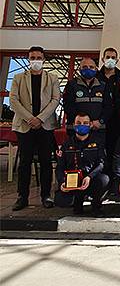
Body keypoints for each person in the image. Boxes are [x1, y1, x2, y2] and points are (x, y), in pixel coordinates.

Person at [10, 45, 59, 211]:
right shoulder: (18, 78)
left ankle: (46, 195)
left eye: (38, 58)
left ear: (43, 59)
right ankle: (22, 197)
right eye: (32, 58)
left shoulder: (52, 78)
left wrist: (40, 118)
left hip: (45, 126)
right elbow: (14, 100)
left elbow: (55, 99)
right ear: (28, 59)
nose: (36, 61)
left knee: (46, 161)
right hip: (25, 126)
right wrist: (30, 118)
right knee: (25, 162)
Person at [54, 112, 109, 216]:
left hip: (90, 180)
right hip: (72, 182)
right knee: (61, 202)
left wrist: (89, 177)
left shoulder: (97, 142)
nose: (82, 125)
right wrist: (62, 183)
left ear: (90, 125)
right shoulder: (66, 144)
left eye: (85, 123)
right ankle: (77, 203)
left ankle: (96, 206)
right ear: (74, 125)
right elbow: (60, 167)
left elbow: (101, 164)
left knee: (104, 180)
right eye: (78, 123)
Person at [63, 57, 112, 141]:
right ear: (79, 69)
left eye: (91, 67)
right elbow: (68, 106)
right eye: (84, 67)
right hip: (76, 130)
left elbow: (108, 106)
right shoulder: (71, 85)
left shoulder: (103, 86)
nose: (88, 69)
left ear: (96, 69)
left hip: (98, 129)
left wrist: (100, 121)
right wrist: (82, 122)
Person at [97, 47, 120, 174]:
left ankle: (114, 180)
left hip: (116, 123)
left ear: (117, 60)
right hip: (98, 122)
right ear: (103, 59)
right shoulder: (95, 78)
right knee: (98, 152)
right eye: (108, 57)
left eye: (113, 57)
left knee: (114, 152)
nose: (110, 60)